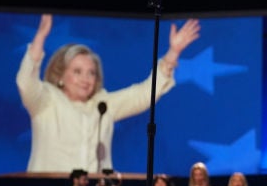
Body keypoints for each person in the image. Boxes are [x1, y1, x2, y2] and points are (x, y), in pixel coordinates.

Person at [16, 13, 201, 174]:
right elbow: (25, 83)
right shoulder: (46, 100)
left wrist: (173, 53)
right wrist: (40, 37)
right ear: (60, 75)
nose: (86, 79)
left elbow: (143, 94)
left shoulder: (102, 104)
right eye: (77, 71)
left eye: (91, 73)